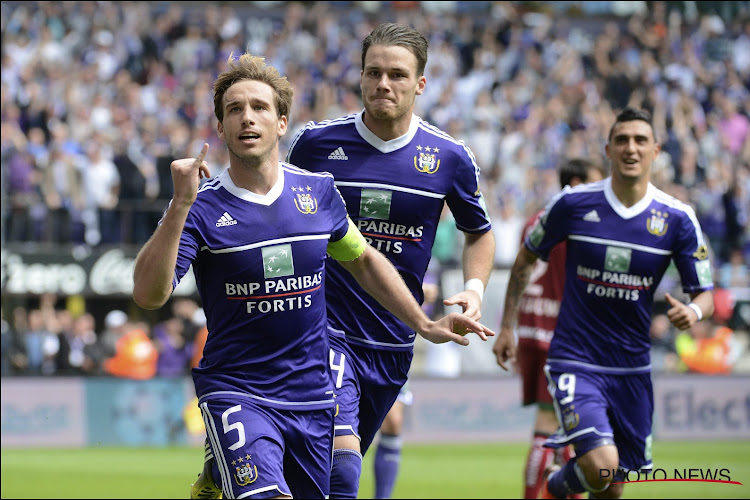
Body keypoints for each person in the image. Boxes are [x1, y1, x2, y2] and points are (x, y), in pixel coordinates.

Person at [131, 53, 492, 500]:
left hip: (311, 395)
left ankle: (219, 475)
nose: (248, 118)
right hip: (238, 391)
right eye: (234, 110)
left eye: (260, 108)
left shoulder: (317, 192)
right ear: (220, 128)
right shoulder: (201, 207)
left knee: (341, 484)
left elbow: (362, 261)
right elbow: (148, 295)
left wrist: (422, 322)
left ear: (282, 123)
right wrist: (178, 206)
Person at [286, 22, 500, 499]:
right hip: (322, 329)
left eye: (398, 75)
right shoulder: (316, 144)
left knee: (318, 476)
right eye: (374, 73)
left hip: (392, 341)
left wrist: (474, 288)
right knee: (341, 471)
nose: (384, 84)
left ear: (420, 83)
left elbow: (480, 234)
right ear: (361, 78)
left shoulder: (449, 157)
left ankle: (230, 474)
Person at [492, 107, 715, 499]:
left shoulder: (678, 218)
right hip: (575, 360)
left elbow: (705, 294)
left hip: (632, 368)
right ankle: (557, 484)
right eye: (623, 140)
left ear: (656, 151)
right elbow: (526, 256)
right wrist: (507, 325)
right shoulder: (573, 204)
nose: (631, 148)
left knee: (611, 488)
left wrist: (693, 311)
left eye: (640, 140)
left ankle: (567, 477)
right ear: (608, 149)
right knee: (603, 464)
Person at [507, 158, 605, 499]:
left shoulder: (535, 218)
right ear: (576, 183)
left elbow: (524, 269)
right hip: (561, 336)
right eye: (594, 182)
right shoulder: (576, 219)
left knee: (556, 424)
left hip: (531, 330)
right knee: (556, 425)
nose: (600, 190)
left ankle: (553, 491)